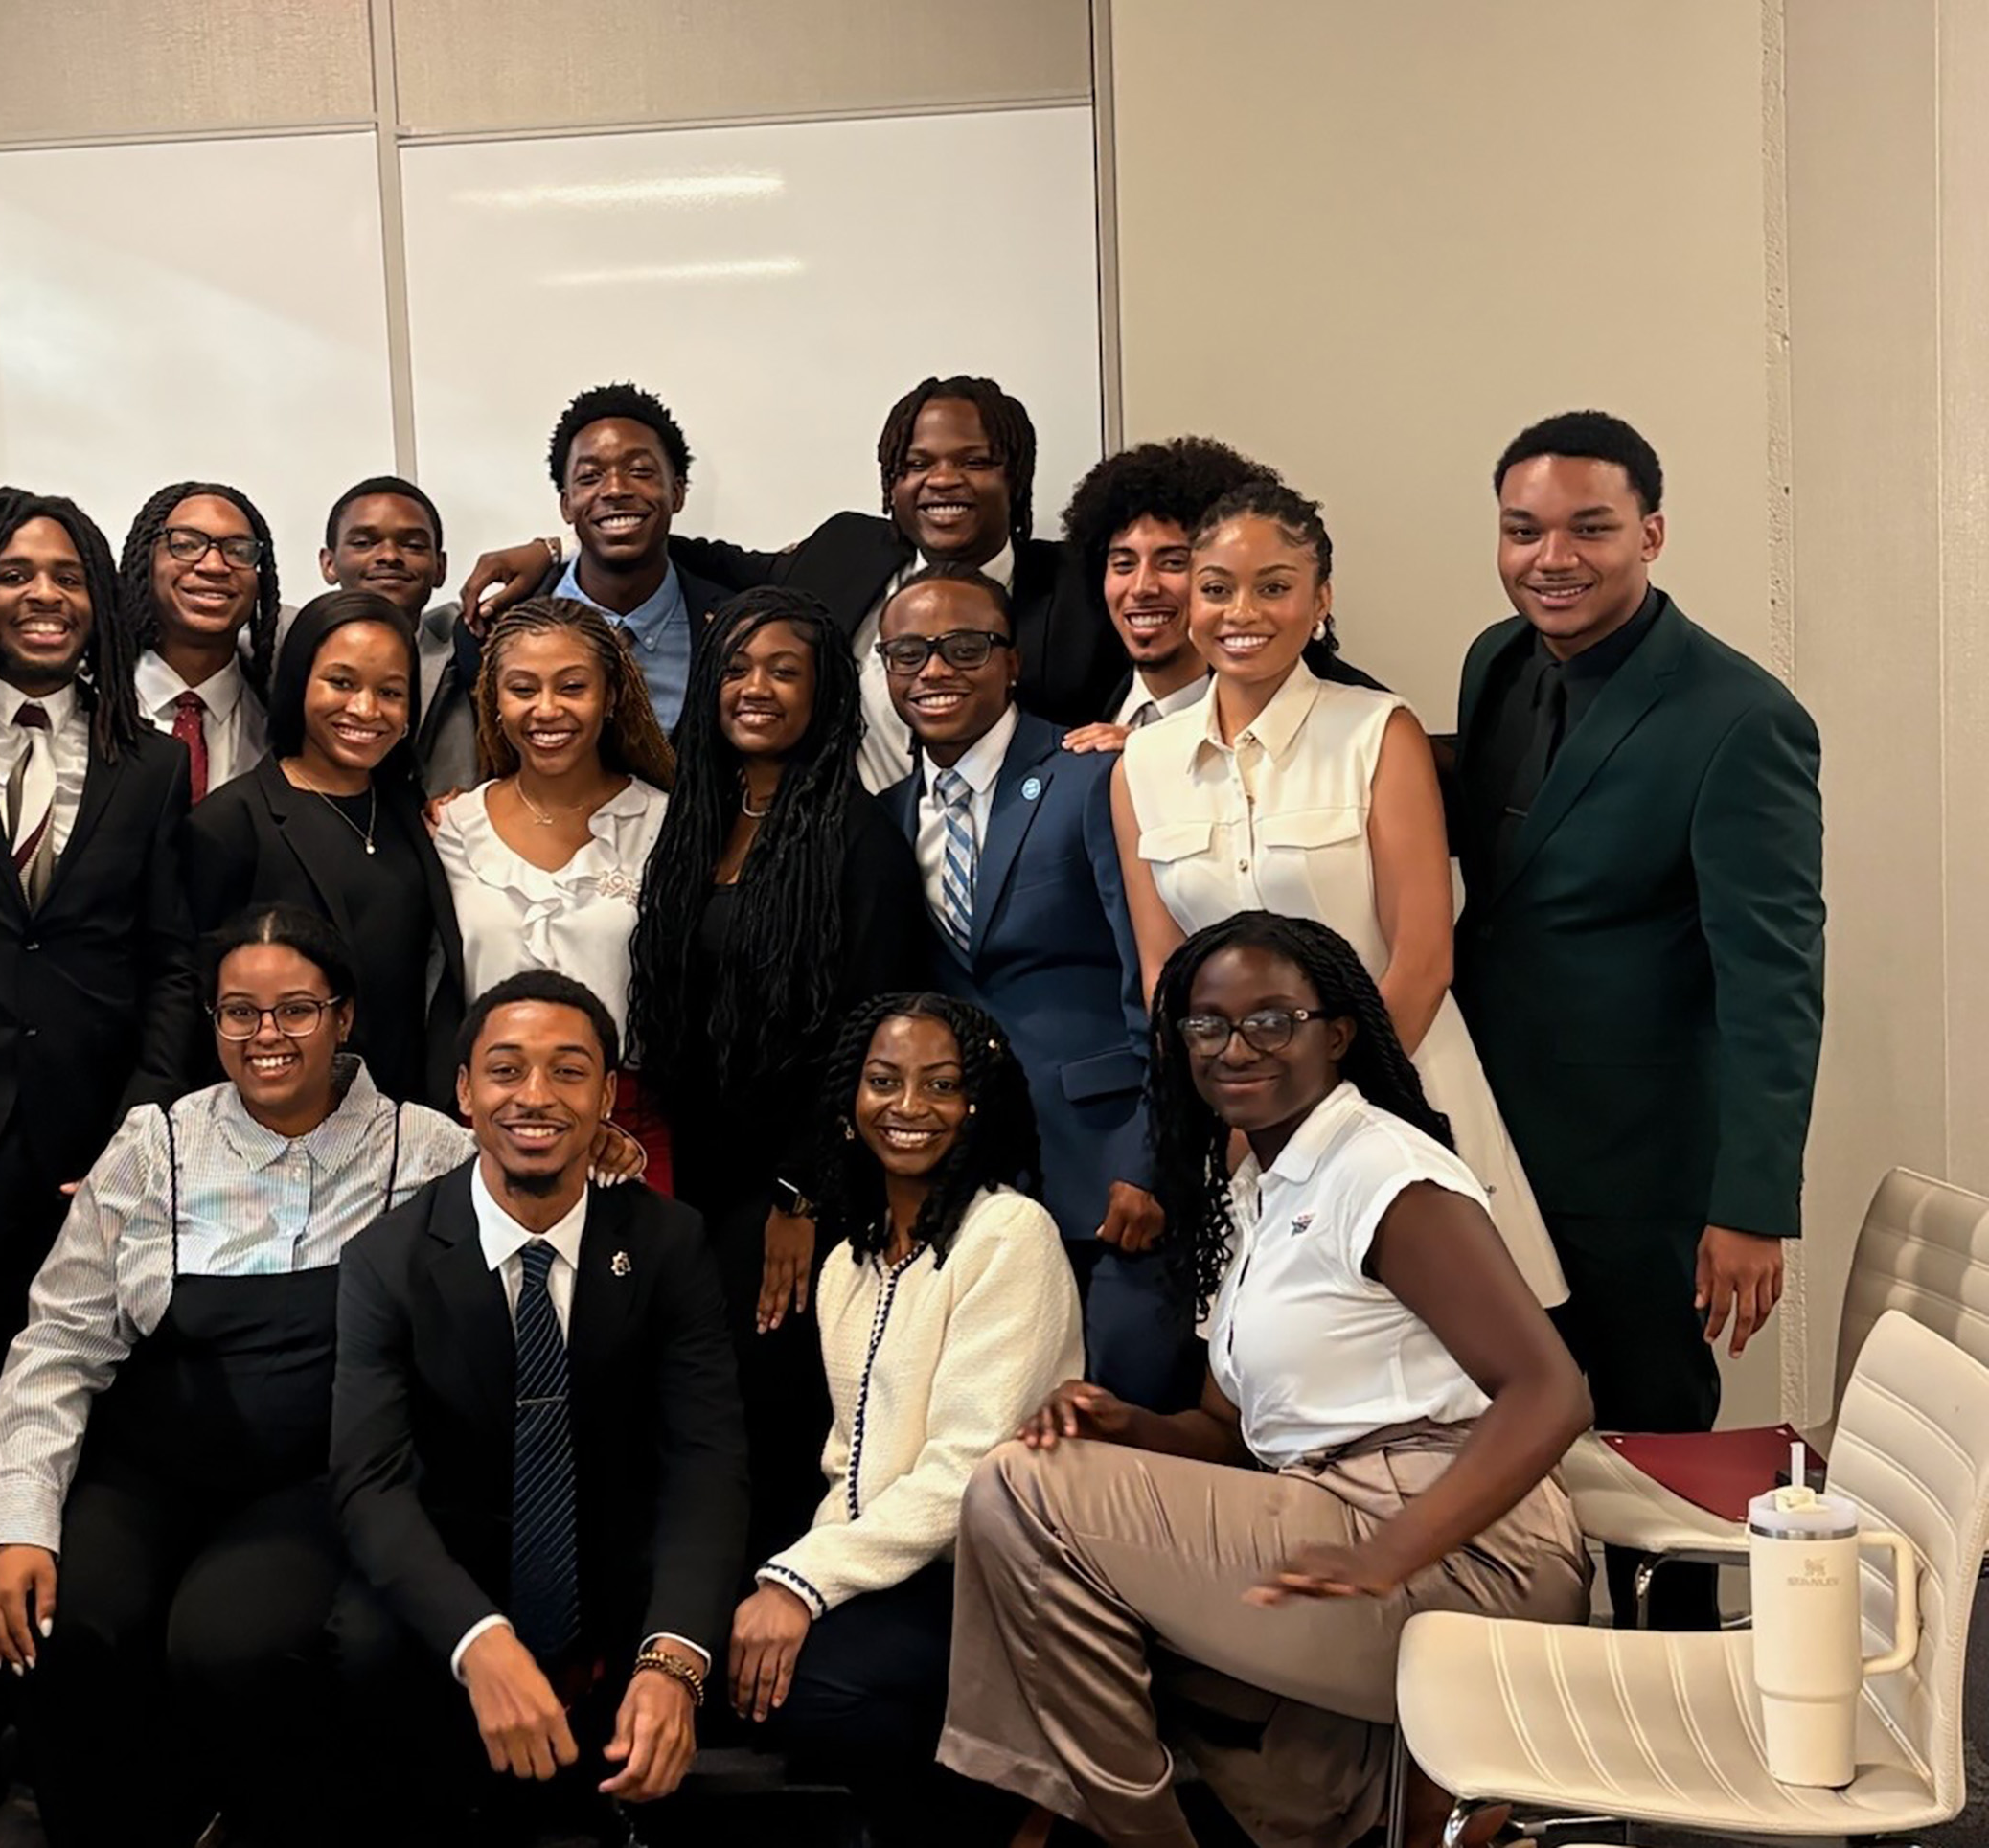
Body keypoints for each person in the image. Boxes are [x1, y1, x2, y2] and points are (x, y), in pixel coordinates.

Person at [939, 912, 1594, 1848]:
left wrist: (1388, 1553)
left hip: (1466, 1550)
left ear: (1335, 1033)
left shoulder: (1382, 1171)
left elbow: (1551, 1393)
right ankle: (1330, 1792)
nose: (1234, 1046)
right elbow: (1223, 1430)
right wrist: (1124, 1426)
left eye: (1270, 1020)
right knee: (1041, 1536)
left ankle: (1117, 1832)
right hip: (1329, 1511)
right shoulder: (1259, 1184)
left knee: (1016, 1494)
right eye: (1207, 1025)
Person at [0, 906, 475, 1847]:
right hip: (151, 1467)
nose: (266, 1035)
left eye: (295, 1010)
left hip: (316, 1476)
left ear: (344, 1017)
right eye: (239, 1013)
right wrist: (18, 1525)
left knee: (227, 1642)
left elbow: (542, 1199)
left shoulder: (430, 1151)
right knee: (59, 1621)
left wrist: (606, 1154)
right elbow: (59, 1343)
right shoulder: (153, 1146)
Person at [1454, 410, 1824, 1629]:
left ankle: (1669, 1709)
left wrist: (1751, 1204)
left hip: (1641, 1162)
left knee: (1646, 1442)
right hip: (1490, 1137)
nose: (1550, 557)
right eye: (1522, 530)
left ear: (1650, 534)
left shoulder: (1738, 718)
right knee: (1514, 1433)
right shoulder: (1497, 661)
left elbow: (1773, 974)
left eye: (1588, 529)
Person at [0, 488, 201, 1846]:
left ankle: (86, 1728)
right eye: (14, 575)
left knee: (96, 1440)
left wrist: (135, 1130)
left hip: (99, 1153)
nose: (42, 596)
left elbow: (171, 965)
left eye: (67, 578)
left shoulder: (143, 760)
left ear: (101, 601)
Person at [1112, 480, 1566, 1307]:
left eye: (1274, 586)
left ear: (1320, 601)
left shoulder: (1375, 731)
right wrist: (1237, 1116)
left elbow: (1423, 958)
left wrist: (1318, 1114)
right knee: (1273, 1378)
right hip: (1242, 1126)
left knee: (1451, 1376)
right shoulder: (1139, 764)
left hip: (1399, 1097)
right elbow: (1163, 977)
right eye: (1216, 588)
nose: (1240, 611)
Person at [329, 970, 746, 1846]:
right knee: (359, 1645)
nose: (536, 1097)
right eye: (507, 1069)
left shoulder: (669, 1242)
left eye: (568, 1071)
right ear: (464, 1092)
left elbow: (706, 1464)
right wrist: (477, 1638)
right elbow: (369, 1484)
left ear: (606, 1096)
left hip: (616, 1589)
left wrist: (674, 1658)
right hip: (460, 1591)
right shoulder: (387, 1258)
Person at [628, 585, 927, 1563]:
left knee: (765, 1406)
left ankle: (771, 1611)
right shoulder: (695, 821)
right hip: (698, 1172)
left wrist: (804, 1191)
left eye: (783, 671)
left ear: (826, 695)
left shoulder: (858, 839)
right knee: (684, 1403)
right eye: (737, 669)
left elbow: (869, 1031)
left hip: (802, 1186)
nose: (755, 688)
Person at [730, 993, 1074, 1844]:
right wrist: (804, 1585)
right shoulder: (850, 1258)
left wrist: (800, 1581)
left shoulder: (1010, 1233)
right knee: (735, 1671)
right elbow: (849, 1463)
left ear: (976, 1104)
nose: (910, 1107)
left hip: (986, 1581)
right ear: (851, 1099)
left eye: (941, 1085)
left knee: (816, 1689)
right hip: (888, 1572)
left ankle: (1013, 1814)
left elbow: (966, 1467)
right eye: (884, 1081)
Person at [464, 375, 1125, 790]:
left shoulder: (1084, 589)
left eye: (975, 461)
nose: (942, 480)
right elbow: (674, 543)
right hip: (850, 867)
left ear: (1017, 477)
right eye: (916, 463)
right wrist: (552, 551)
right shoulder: (847, 551)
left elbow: (1158, 686)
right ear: (891, 484)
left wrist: (1141, 741)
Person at [872, 563, 1183, 1406]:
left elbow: (1156, 981)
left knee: (1126, 1422)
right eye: (908, 653)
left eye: (965, 647)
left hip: (1109, 1173)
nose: (934, 670)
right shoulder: (885, 817)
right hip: (975, 1187)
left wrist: (1152, 1158)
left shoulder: (1092, 775)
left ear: (1012, 661)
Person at [186, 588, 466, 1106]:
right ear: (298, 685)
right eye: (341, 682)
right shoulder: (230, 822)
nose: (365, 709)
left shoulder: (410, 809)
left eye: (390, 692)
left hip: (405, 1124)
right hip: (279, 1126)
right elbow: (192, 999)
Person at [433, 597, 677, 1184]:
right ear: (494, 699)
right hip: (488, 1130)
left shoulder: (666, 824)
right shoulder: (452, 829)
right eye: (522, 689)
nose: (547, 710)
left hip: (627, 1131)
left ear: (612, 695)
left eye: (572, 687)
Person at [1056, 436, 1384, 755]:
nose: (1142, 587)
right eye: (1124, 564)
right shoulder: (1071, 691)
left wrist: (1155, 755)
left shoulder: (1360, 723)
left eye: (1173, 563)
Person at [530, 381, 730, 733]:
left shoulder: (732, 629)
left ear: (677, 492)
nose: (615, 490)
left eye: (639, 471)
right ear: (566, 504)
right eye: (590, 476)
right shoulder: (497, 630)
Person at [116, 479, 279, 799]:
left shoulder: (282, 725)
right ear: (145, 562)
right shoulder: (88, 703)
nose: (214, 565)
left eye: (238, 550)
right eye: (186, 544)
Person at [318, 474, 479, 793]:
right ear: (329, 563)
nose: (389, 555)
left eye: (413, 545)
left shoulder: (465, 639)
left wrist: (551, 550)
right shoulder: (293, 646)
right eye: (364, 543)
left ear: (440, 567)